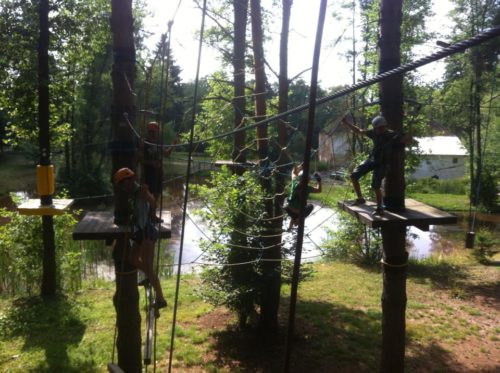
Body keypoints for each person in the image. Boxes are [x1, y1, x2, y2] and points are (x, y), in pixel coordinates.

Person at [113, 167, 167, 312]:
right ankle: (149, 277)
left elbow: (153, 203)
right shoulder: (133, 194)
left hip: (147, 232)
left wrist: (148, 195)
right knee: (133, 259)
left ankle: (161, 299)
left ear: (130, 180)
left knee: (148, 267)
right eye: (121, 185)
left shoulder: (141, 191)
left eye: (124, 183)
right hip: (139, 232)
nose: (123, 187)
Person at [341, 114, 410, 216]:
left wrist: (407, 134)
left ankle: (379, 208)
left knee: (375, 185)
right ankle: (360, 198)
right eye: (375, 129)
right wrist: (347, 123)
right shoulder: (373, 133)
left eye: (378, 128)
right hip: (372, 160)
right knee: (354, 176)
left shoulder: (391, 135)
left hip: (383, 163)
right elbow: (359, 131)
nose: (376, 130)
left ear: (383, 127)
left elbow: (408, 141)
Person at [140, 121, 175, 223]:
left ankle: (152, 215)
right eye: (151, 132)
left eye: (154, 132)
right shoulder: (144, 143)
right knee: (149, 194)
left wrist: (173, 145)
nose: (153, 134)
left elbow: (166, 154)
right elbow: (139, 159)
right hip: (148, 173)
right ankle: (147, 215)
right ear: (149, 132)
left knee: (157, 194)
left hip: (158, 172)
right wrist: (151, 163)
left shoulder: (159, 143)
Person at [285, 164, 322, 230]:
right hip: (299, 212)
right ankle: (298, 220)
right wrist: (319, 181)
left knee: (293, 214)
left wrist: (301, 166)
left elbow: (293, 171)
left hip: (289, 209)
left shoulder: (294, 182)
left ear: (299, 178)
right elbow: (319, 190)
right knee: (310, 206)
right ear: (308, 180)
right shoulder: (308, 188)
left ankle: (291, 226)